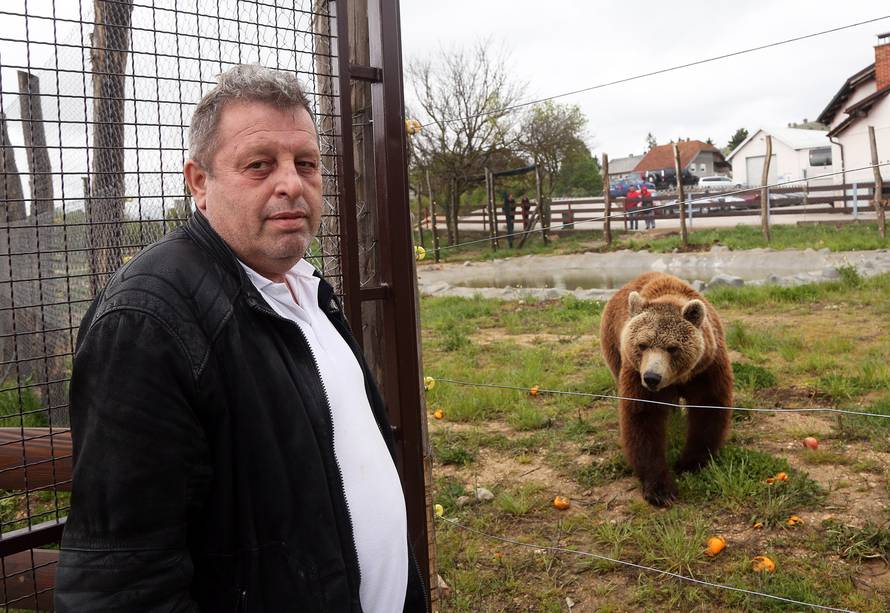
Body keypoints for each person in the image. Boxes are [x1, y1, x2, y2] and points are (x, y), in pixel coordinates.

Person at [55, 65, 427, 612]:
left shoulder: (305, 291)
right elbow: (123, 583)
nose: (291, 183)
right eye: (259, 165)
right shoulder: (148, 323)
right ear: (199, 182)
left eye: (306, 164)